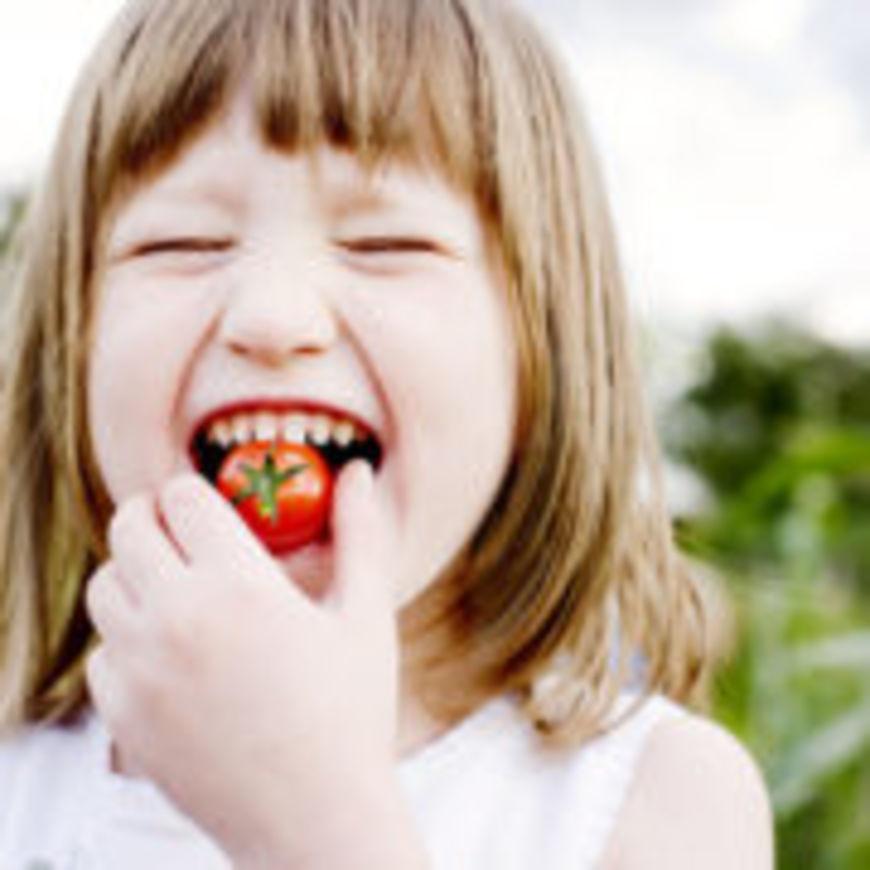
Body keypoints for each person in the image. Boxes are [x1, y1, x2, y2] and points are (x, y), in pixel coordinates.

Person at [0, 0, 774, 866]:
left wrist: (319, 823)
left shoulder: (656, 800)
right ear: (70, 339)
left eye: (385, 242)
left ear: (541, 346)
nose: (272, 316)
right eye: (182, 241)